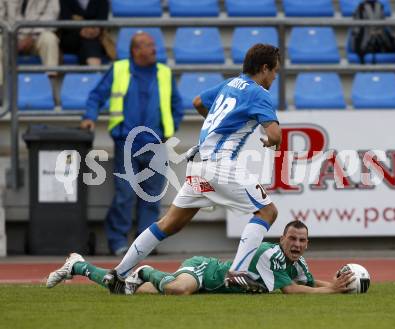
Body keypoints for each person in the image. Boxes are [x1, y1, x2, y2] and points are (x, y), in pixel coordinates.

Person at [101, 43, 282, 294]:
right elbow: (274, 134)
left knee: (169, 224)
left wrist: (217, 121)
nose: (275, 77)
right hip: (221, 165)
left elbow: (198, 101)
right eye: (274, 71)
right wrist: (270, 141)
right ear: (264, 68)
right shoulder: (259, 93)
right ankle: (238, 272)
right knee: (267, 212)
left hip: (198, 166)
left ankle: (118, 273)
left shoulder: (229, 84)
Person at [80, 32, 184, 256]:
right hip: (126, 143)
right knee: (125, 195)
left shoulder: (164, 73)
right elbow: (96, 96)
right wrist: (89, 117)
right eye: (148, 45)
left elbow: (177, 105)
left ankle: (143, 245)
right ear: (135, 50)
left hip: (156, 144)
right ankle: (117, 242)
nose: (154, 49)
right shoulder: (119, 69)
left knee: (151, 197)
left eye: (154, 45)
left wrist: (169, 129)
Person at [46, 220, 354, 295]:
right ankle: (146, 270)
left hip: (210, 288)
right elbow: (291, 290)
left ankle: (77, 265)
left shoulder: (298, 262)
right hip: (204, 271)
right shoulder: (266, 253)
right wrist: (331, 291)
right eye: (292, 238)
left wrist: (337, 284)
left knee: (120, 288)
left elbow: (310, 283)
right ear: (282, 238)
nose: (297, 244)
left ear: (307, 244)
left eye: (302, 240)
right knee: (178, 290)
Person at [0, 0, 60, 81]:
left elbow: (52, 17)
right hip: (10, 37)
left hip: (36, 35)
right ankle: (1, 90)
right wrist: (13, 37)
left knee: (50, 39)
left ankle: (50, 86)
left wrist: (32, 36)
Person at [59, 0, 114, 66]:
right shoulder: (63, 1)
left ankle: (93, 72)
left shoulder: (102, 1)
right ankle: (95, 73)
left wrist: (95, 30)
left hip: (94, 37)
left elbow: (102, 20)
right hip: (70, 39)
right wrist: (80, 31)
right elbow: (65, 20)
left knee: (90, 42)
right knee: (91, 43)